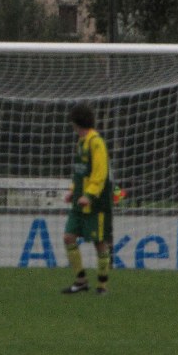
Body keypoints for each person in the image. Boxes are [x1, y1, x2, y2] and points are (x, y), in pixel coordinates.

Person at [62, 103, 113, 295]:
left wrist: (89, 195)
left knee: (99, 242)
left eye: (73, 123)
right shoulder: (81, 142)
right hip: (79, 201)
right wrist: (73, 191)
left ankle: (102, 285)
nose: (72, 127)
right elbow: (80, 172)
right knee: (68, 238)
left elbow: (100, 173)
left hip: (95, 202)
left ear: (77, 122)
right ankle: (81, 280)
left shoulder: (96, 142)